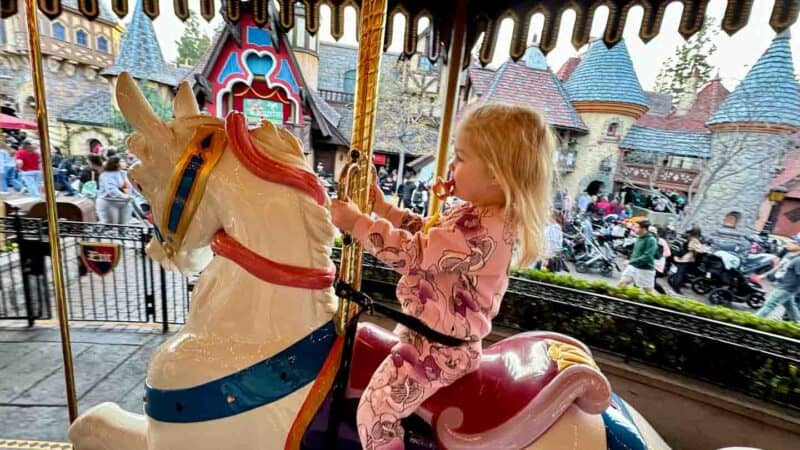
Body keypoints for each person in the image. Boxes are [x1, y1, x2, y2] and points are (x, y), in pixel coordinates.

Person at [331, 103, 553, 450]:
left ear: (496, 173)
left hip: (439, 348)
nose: (451, 166)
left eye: (461, 158)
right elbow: (429, 235)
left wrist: (356, 224)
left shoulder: (485, 230)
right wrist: (383, 209)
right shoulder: (479, 215)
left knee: (375, 413)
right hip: (426, 332)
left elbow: (414, 255)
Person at [753, 234, 800, 322]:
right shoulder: (789, 256)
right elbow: (778, 268)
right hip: (782, 285)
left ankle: (752, 322)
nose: (789, 243)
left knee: (769, 304)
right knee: (791, 308)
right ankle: (798, 325)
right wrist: (764, 276)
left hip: (786, 288)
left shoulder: (798, 260)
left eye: (794, 242)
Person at [619, 219, 658, 294]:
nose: (634, 229)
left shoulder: (651, 240)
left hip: (645, 269)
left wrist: (630, 261)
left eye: (637, 227)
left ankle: (659, 305)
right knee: (622, 284)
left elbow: (647, 257)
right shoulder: (639, 237)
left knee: (649, 292)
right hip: (633, 267)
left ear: (643, 229)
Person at [96, 157, 132, 224]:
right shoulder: (106, 175)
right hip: (109, 202)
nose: (124, 162)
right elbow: (111, 190)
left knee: (125, 226)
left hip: (125, 203)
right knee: (111, 226)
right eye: (121, 161)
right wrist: (124, 196)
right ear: (115, 163)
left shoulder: (124, 173)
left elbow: (130, 187)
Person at [669, 227, 704, 294]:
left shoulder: (689, 238)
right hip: (686, 259)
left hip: (682, 258)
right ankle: (676, 288)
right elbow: (695, 250)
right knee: (680, 274)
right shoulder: (694, 240)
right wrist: (696, 253)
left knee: (680, 273)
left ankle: (676, 286)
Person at [652, 226, 672, 294]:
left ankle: (664, 296)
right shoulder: (655, 239)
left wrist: (659, 255)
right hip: (652, 264)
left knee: (652, 282)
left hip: (656, 265)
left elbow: (668, 253)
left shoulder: (661, 241)